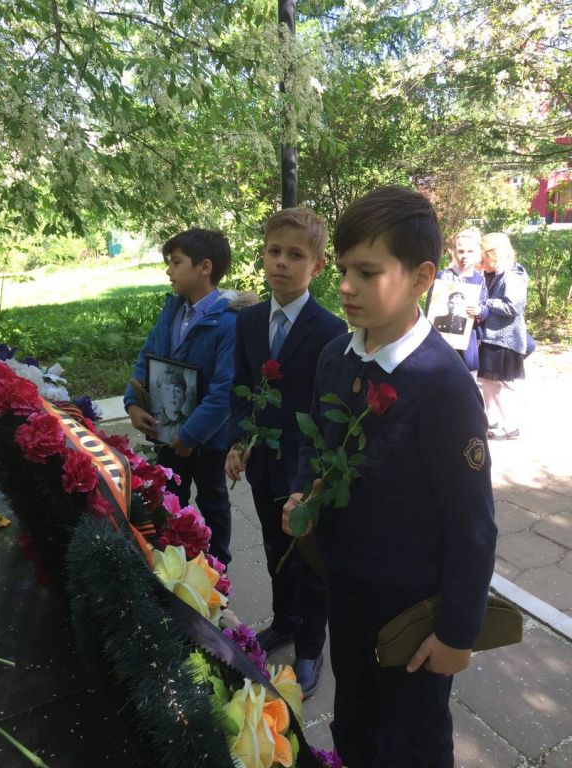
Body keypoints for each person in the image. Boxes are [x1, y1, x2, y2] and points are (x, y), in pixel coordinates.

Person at [283, 186, 497, 767]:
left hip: (412, 607)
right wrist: (303, 494)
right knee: (354, 718)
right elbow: (315, 442)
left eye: (367, 272)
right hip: (346, 583)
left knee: (412, 738)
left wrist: (458, 634)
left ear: (422, 277)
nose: (345, 287)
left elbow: (473, 524)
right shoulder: (335, 357)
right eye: (343, 270)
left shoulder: (442, 385)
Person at [225, 207, 347, 698]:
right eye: (274, 251)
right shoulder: (250, 321)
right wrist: (239, 440)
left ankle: (311, 647)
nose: (281, 262)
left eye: (295, 255)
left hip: (307, 468)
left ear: (317, 266)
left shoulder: (331, 330)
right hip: (264, 463)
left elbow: (330, 412)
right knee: (276, 548)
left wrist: (315, 479)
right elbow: (242, 386)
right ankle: (284, 621)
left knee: (309, 556)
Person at [124, 228, 255, 567]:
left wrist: (190, 435)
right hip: (168, 432)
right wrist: (133, 403)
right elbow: (146, 358)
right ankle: (172, 564)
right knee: (168, 499)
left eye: (176, 262)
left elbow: (225, 389)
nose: (169, 271)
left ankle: (217, 570)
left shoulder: (229, 321)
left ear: (204, 267)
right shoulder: (172, 311)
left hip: (208, 440)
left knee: (212, 501)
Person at [478, 232, 529, 440]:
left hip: (505, 340)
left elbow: (512, 307)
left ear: (493, 254)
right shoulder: (494, 273)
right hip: (493, 338)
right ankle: (491, 420)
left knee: (501, 384)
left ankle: (511, 426)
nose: (480, 260)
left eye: (482, 256)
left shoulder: (513, 275)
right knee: (488, 381)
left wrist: (485, 303)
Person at [429, 228, 489, 375]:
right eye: (461, 251)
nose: (465, 256)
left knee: (468, 380)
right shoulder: (443, 276)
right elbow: (430, 308)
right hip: (443, 341)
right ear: (454, 252)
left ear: (477, 253)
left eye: (470, 251)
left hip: (468, 340)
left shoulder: (479, 279)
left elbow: (485, 309)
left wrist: (479, 310)